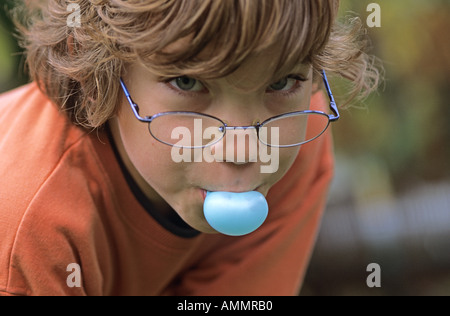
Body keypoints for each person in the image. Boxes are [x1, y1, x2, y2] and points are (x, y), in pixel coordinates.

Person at [0, 0, 381, 296]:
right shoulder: (29, 225)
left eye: (281, 83)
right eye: (186, 82)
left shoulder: (298, 137)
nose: (243, 149)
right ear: (103, 72)